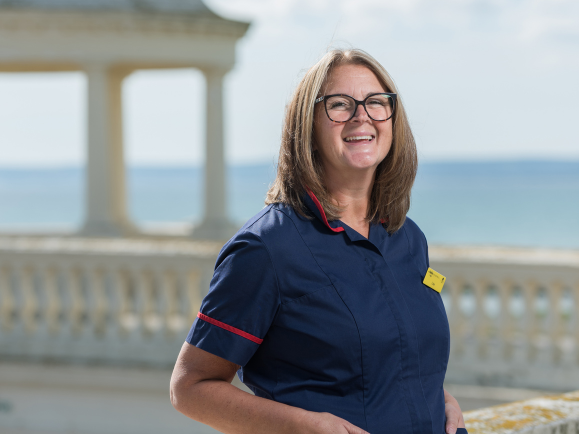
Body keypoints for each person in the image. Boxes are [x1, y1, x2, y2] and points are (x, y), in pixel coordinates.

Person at [170, 48, 467, 434]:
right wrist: (304, 426)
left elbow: (390, 346)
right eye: (340, 104)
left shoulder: (406, 236)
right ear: (307, 125)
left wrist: (433, 394)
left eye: (377, 102)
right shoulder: (266, 249)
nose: (362, 115)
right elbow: (190, 387)